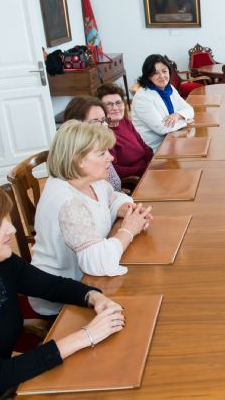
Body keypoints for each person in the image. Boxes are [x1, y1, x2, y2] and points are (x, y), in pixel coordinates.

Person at [0, 183, 125, 399]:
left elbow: (52, 286)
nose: (11, 229)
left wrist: (94, 297)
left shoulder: (3, 264)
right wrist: (87, 335)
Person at [30, 121, 152, 316]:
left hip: (87, 281)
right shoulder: (68, 202)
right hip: (64, 294)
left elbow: (112, 196)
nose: (111, 157)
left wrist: (124, 208)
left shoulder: (90, 181)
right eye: (102, 153)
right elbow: (98, 263)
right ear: (78, 159)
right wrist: (128, 230)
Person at [131, 54, 195, 152]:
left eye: (164, 71)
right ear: (148, 76)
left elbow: (190, 110)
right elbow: (162, 129)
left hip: (172, 139)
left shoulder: (169, 89)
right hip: (154, 149)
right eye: (156, 73)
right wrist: (186, 121)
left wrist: (177, 115)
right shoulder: (142, 98)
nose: (162, 76)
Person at [63, 96, 124, 191]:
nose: (103, 127)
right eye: (95, 121)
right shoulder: (79, 158)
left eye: (104, 120)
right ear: (77, 125)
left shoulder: (100, 144)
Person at [96, 83, 153, 178]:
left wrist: (153, 162)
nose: (115, 108)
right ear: (101, 108)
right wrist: (143, 170)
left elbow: (144, 146)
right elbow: (114, 170)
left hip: (147, 170)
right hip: (135, 179)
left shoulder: (124, 121)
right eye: (109, 104)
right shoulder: (104, 132)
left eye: (118, 102)